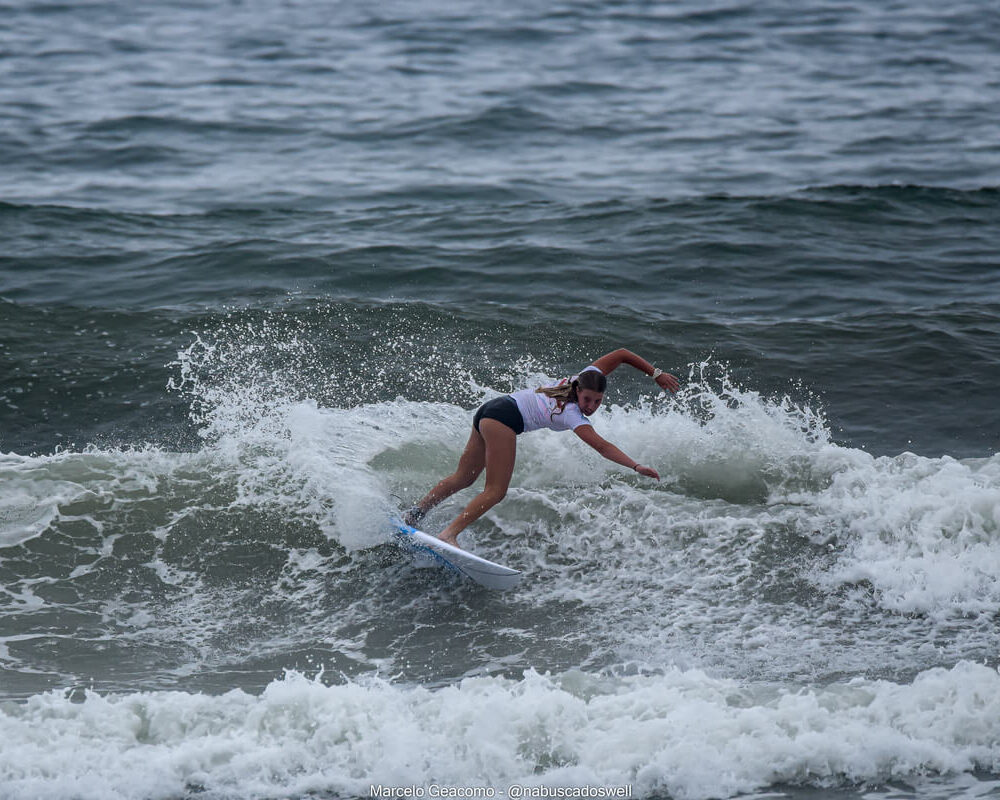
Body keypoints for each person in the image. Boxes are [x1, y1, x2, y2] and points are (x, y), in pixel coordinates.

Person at [403, 349, 680, 547]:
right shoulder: (571, 412)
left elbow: (621, 354)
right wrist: (635, 465)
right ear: (579, 391)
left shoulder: (586, 376)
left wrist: (655, 373)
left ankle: (415, 514)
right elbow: (603, 447)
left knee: (464, 477)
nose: (591, 407)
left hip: (492, 409)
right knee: (496, 491)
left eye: (597, 402)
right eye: (587, 400)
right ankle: (449, 534)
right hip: (503, 420)